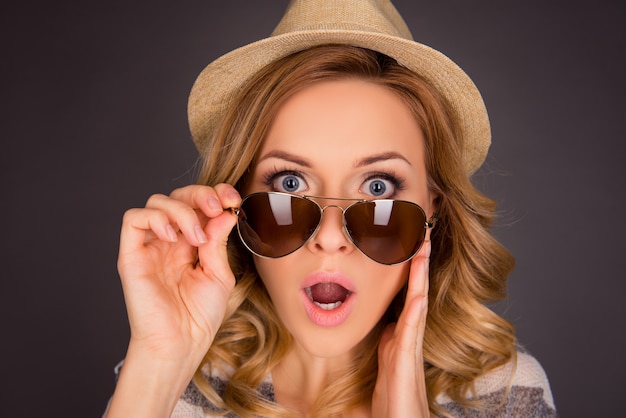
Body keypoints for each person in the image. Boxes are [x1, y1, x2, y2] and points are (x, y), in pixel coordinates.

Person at [104, 0, 557, 417]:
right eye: (291, 183)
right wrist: (158, 364)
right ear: (236, 205)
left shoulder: (504, 396)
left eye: (378, 187)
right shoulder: (171, 382)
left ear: (431, 211)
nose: (331, 237)